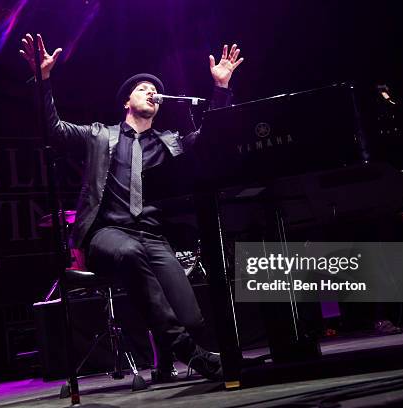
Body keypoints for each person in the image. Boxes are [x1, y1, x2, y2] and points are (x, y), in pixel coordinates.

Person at [20, 33, 244, 381]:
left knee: (192, 315)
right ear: (127, 101)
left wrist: (221, 89)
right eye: (142, 88)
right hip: (106, 234)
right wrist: (42, 80)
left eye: (154, 91)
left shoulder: (168, 141)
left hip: (151, 235)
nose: (151, 93)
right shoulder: (98, 135)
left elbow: (213, 138)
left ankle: (178, 353)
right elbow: (53, 130)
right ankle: (188, 353)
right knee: (129, 252)